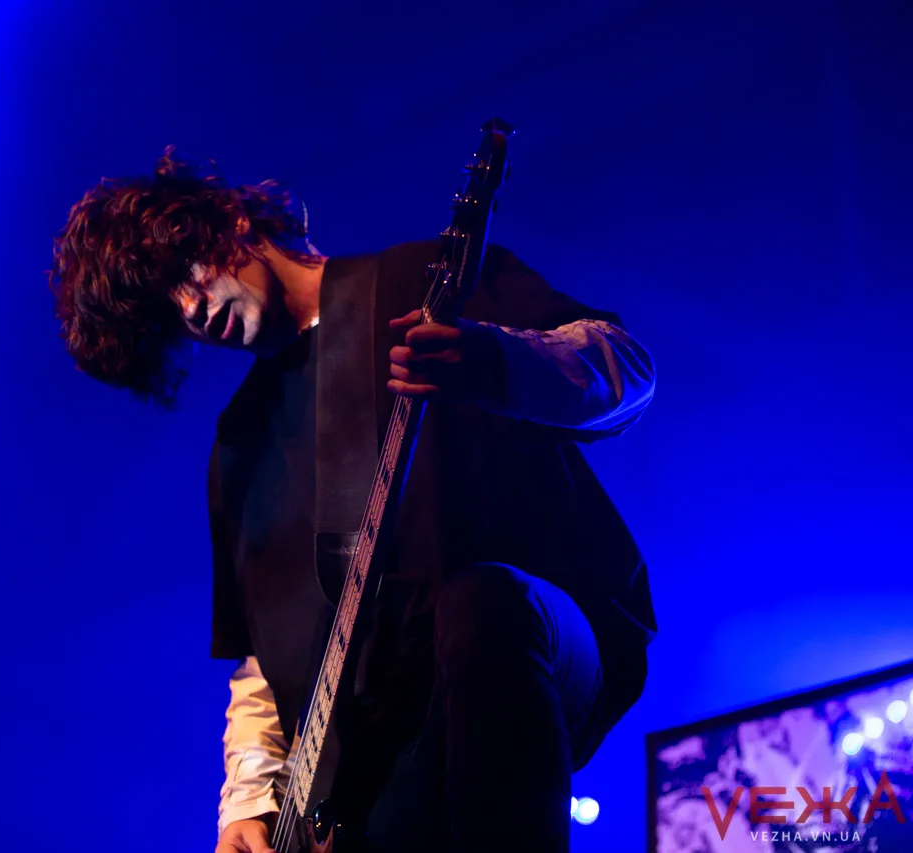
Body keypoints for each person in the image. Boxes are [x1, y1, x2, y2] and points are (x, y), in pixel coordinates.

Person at [49, 147, 659, 852]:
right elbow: (262, 657)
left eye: (184, 272)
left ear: (232, 224)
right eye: (167, 312)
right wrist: (246, 802)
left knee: (485, 603)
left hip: (536, 655)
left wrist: (494, 360)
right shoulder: (238, 445)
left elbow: (627, 368)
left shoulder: (422, 281)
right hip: (380, 757)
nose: (190, 309)